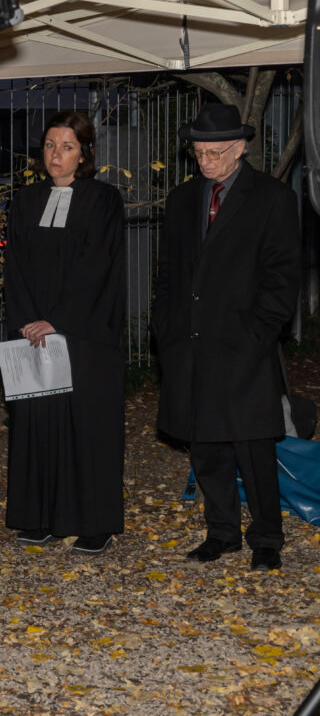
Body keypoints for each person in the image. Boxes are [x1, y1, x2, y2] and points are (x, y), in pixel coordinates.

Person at [153, 103, 300, 572]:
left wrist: (258, 335)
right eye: (198, 152)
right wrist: (166, 329)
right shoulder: (181, 199)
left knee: (252, 447)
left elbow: (282, 278)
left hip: (244, 346)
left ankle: (267, 538)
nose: (205, 161)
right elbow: (168, 274)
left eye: (215, 152)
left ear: (240, 148)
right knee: (207, 445)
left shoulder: (272, 198)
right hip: (190, 345)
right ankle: (221, 532)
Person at [4, 110, 125, 555]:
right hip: (31, 330)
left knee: (86, 428)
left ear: (84, 154)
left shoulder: (103, 200)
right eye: (51, 145)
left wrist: (58, 319)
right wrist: (26, 320)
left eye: (67, 146)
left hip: (84, 334)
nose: (56, 155)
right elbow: (14, 265)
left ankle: (95, 523)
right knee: (37, 425)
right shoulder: (26, 199)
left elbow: (97, 266)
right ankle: (41, 517)